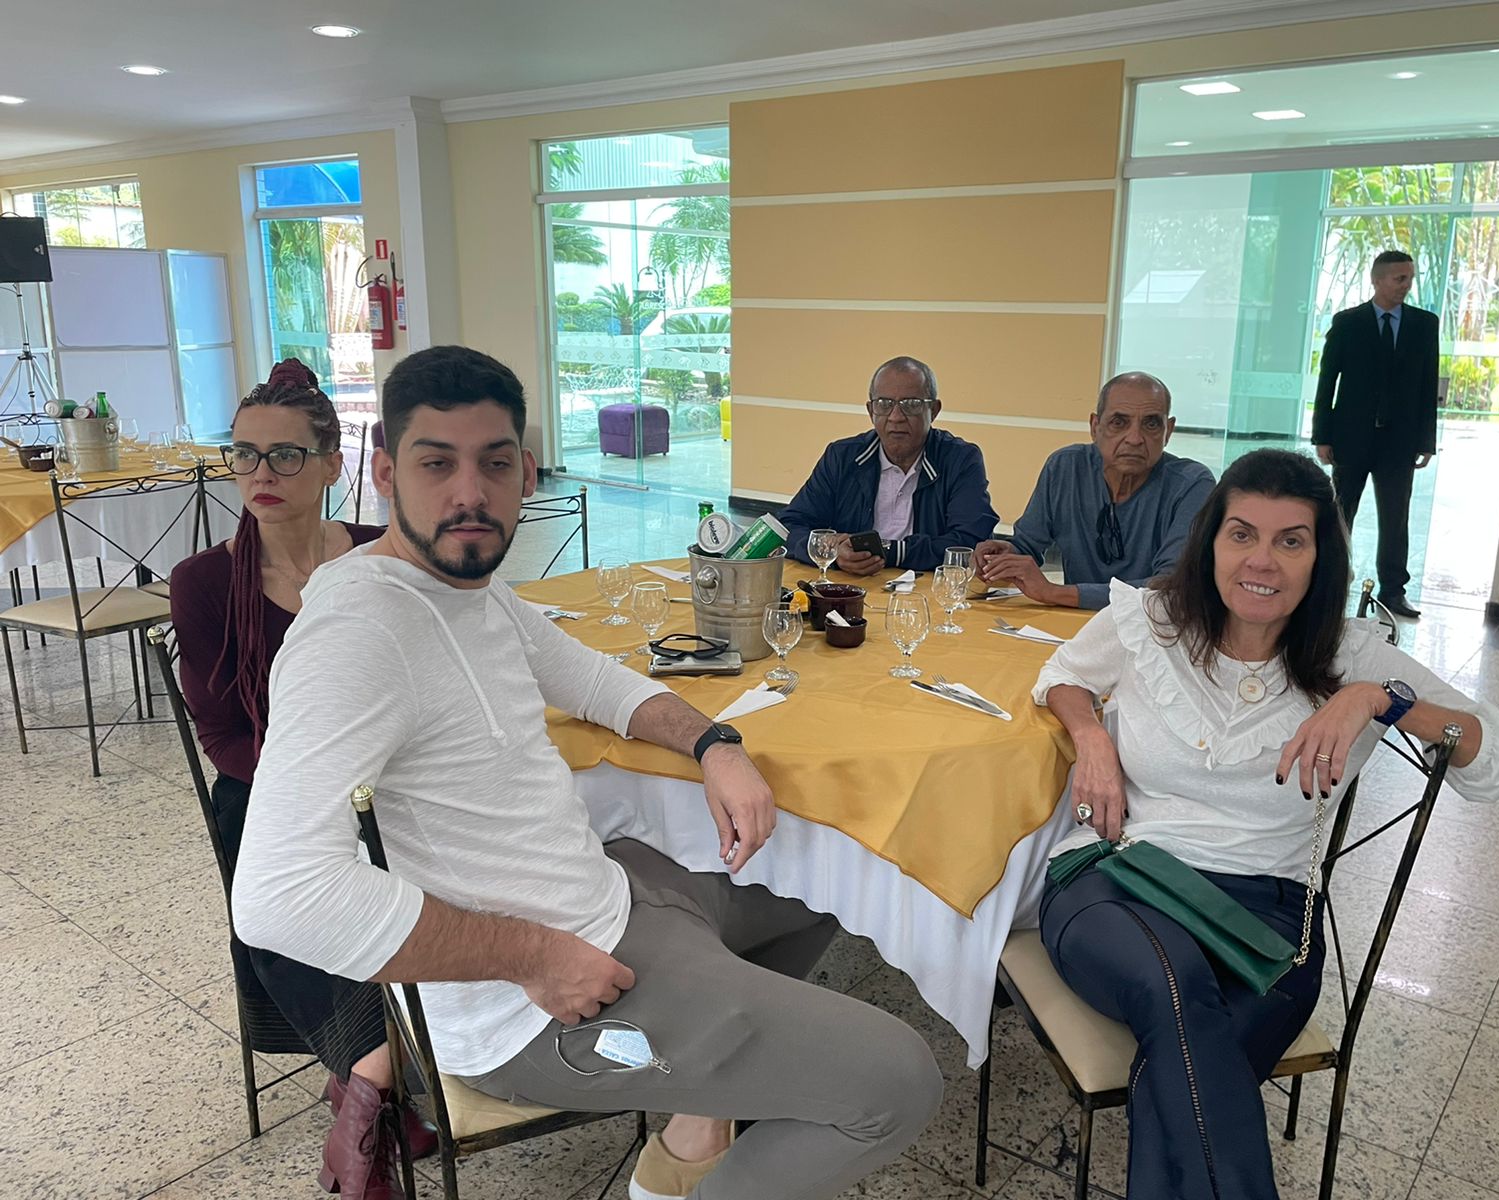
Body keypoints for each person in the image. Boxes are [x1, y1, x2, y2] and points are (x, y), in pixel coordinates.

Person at [230, 345, 943, 1200]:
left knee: (828, 881)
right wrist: (535, 956)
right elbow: (278, 895)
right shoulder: (360, 632)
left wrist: (716, 746)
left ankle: (698, 1109)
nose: (469, 493)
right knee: (898, 1083)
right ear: (385, 474)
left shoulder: (470, 589)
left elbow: (599, 683)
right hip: (535, 1004)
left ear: (526, 474)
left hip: (609, 895)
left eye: (495, 464)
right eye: (436, 464)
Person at [1028, 448, 1499, 1199]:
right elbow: (1062, 676)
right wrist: (1092, 738)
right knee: (1178, 988)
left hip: (1267, 919)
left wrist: (1381, 699)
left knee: (1178, 1078)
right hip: (1119, 878)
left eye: (1290, 541)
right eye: (1242, 534)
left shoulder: (1356, 658)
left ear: (1320, 556)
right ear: (1211, 542)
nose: (1261, 561)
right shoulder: (1152, 620)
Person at [169, 361, 432, 1199]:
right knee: (288, 883)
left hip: (390, 782)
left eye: (285, 455)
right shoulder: (206, 582)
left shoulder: (380, 556)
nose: (262, 473)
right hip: (267, 789)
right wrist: (321, 788)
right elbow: (223, 734)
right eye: (244, 454)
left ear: (330, 465)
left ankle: (365, 1088)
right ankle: (374, 1077)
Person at [974, 371, 1213, 608]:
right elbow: (1028, 545)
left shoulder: (1191, 484)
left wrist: (1055, 593)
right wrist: (1005, 556)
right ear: (1095, 427)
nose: (1134, 438)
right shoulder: (1066, 467)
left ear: (1168, 431)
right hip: (1073, 621)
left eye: (1151, 424)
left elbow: (1168, 588)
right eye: (1119, 423)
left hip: (1152, 625)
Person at [776, 355, 997, 574]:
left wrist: (891, 551)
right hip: (851, 585)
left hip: (928, 588)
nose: (896, 417)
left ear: (934, 410)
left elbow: (970, 542)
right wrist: (832, 552)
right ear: (870, 411)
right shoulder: (842, 457)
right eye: (884, 404)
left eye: (911, 404)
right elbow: (789, 526)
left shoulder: (960, 459)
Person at [1312, 249, 1441, 619]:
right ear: (1377, 280)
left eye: (1409, 278)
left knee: (1396, 518)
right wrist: (1322, 435)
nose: (1406, 286)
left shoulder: (1423, 324)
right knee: (1341, 515)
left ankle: (1394, 591)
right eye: (1399, 278)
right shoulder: (1348, 323)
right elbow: (1327, 381)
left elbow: (1427, 385)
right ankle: (1331, 584)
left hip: (1399, 442)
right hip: (1351, 438)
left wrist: (1426, 441)